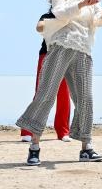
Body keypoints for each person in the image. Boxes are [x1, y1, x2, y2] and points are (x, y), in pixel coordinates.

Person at [16, 0, 102, 166]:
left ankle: (86, 148)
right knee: (46, 94)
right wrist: (80, 5)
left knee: (85, 99)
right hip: (61, 47)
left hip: (83, 50)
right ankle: (34, 147)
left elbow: (96, 22)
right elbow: (59, 14)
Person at [19, 11, 72, 143]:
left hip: (65, 56)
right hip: (46, 55)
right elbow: (39, 27)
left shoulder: (73, 16)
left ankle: (63, 131)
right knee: (41, 93)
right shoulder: (47, 16)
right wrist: (59, 22)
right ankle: (28, 130)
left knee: (64, 94)